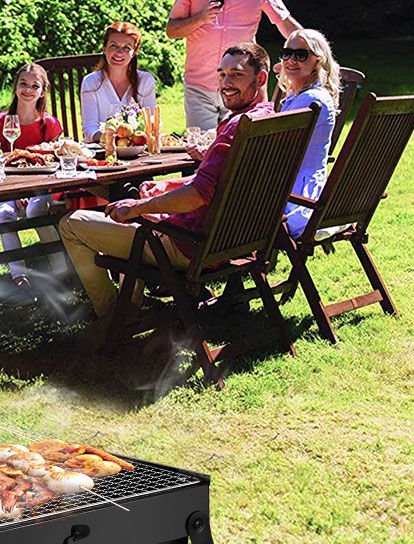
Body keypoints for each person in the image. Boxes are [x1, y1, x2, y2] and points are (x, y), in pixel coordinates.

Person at [59, 43, 276, 338]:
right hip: (238, 241)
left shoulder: (234, 129)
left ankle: (115, 315)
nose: (225, 84)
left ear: (260, 78)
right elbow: (214, 186)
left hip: (189, 245)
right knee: (135, 210)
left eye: (236, 75)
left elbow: (199, 195)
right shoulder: (270, 120)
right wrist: (165, 186)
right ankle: (131, 304)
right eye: (222, 75)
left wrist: (137, 209)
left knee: (72, 224)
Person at [0, 63, 69, 292]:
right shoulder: (0, 122)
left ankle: (61, 269)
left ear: (42, 91)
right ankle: (19, 277)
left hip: (43, 187)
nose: (28, 89)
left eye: (35, 85)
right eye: (23, 83)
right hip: (5, 186)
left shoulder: (48, 124)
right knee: (5, 214)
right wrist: (15, 192)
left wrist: (29, 191)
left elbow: (55, 162)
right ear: (15, 87)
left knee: (34, 211)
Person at [167, 0, 300, 130]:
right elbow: (171, 31)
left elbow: (286, 24)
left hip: (241, 87)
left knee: (243, 145)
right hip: (199, 86)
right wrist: (199, 19)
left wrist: (311, 52)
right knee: (201, 145)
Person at [276, 29, 339, 239]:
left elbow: (275, 148)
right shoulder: (304, 95)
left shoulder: (310, 101)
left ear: (317, 61)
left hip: (296, 199)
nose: (291, 60)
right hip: (306, 186)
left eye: (301, 55)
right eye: (287, 53)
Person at [81, 22, 158, 144]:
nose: (119, 52)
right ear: (104, 48)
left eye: (126, 48)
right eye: (113, 45)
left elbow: (151, 123)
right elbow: (89, 128)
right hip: (101, 153)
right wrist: (112, 140)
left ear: (135, 52)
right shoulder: (90, 82)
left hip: (137, 150)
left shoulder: (145, 81)